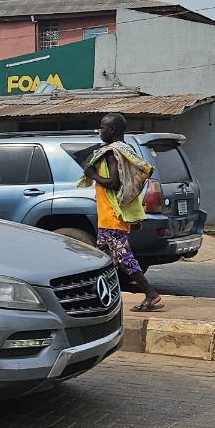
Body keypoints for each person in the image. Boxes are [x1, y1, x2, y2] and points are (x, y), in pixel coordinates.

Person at [80, 113, 164, 311]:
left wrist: (92, 174)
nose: (100, 131)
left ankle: (150, 294)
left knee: (124, 258)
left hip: (112, 216)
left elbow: (113, 183)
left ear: (113, 130)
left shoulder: (111, 152)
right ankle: (99, 297)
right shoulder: (126, 149)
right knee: (103, 260)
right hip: (109, 216)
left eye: (103, 127)